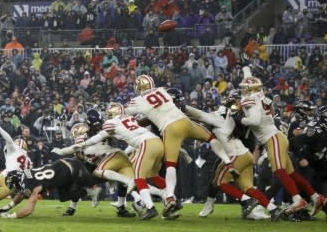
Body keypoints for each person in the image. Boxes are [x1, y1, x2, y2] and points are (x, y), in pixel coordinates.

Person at [125, 74, 239, 218]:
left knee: (170, 165)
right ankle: (228, 162)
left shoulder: (138, 100)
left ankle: (170, 197)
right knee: (210, 138)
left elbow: (126, 114)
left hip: (169, 129)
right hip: (184, 121)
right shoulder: (162, 90)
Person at [239, 67, 326, 216]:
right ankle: (316, 197)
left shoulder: (250, 99)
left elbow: (254, 120)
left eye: (245, 87)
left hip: (273, 139)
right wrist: (246, 67)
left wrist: (242, 119)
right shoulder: (259, 93)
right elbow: (250, 79)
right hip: (277, 137)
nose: (243, 89)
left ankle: (298, 200)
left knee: (279, 171)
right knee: (291, 174)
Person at [184, 89, 281, 221]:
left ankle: (247, 201)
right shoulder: (242, 114)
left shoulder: (222, 117)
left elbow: (201, 115)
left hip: (236, 154)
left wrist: (183, 107)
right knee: (248, 187)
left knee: (218, 181)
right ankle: (273, 209)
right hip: (246, 154)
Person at [59, 103, 168, 220]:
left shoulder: (104, 130)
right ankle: (157, 197)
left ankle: (134, 202)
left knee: (130, 182)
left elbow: (115, 140)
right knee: (130, 182)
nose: (97, 126)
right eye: (95, 124)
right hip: (102, 165)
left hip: (106, 164)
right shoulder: (96, 132)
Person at [0, 157, 98, 219]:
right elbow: (22, 194)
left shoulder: (30, 186)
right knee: (63, 195)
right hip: (64, 163)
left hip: (67, 171)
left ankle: (90, 192)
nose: (15, 189)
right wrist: (8, 207)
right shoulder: (25, 174)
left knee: (65, 195)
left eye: (14, 186)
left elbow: (28, 210)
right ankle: (88, 190)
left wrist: (12, 216)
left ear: (17, 181)